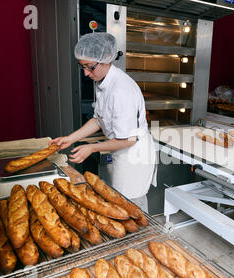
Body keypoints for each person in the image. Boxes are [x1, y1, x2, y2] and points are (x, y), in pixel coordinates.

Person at [50, 32, 157, 212]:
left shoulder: (121, 90)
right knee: (117, 202)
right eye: (82, 67)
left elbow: (128, 140)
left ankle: (141, 239)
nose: (85, 73)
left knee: (132, 208)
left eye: (89, 67)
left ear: (106, 59)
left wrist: (91, 147)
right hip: (121, 151)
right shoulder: (103, 80)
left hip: (134, 157)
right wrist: (71, 138)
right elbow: (99, 120)